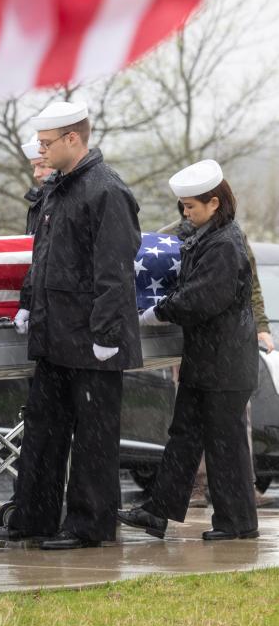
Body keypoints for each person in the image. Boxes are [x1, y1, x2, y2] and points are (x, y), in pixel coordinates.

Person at [0, 101, 143, 550]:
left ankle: (89, 525)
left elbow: (114, 271)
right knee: (43, 431)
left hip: (92, 339)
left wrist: (108, 337)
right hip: (55, 335)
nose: (41, 150)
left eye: (47, 143)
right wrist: (29, 304)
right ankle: (34, 517)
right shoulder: (60, 190)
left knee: (93, 439)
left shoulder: (105, 191)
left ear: (73, 139)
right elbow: (44, 258)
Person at [118, 160, 259, 541]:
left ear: (214, 203)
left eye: (191, 207)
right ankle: (158, 511)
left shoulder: (225, 244)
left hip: (226, 363)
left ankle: (238, 523)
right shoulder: (207, 236)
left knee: (224, 444)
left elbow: (203, 298)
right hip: (209, 359)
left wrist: (158, 311)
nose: (185, 213)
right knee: (184, 434)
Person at [21, 133, 55, 236]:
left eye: (42, 166)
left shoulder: (69, 201)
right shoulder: (39, 204)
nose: (36, 174)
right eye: (34, 167)